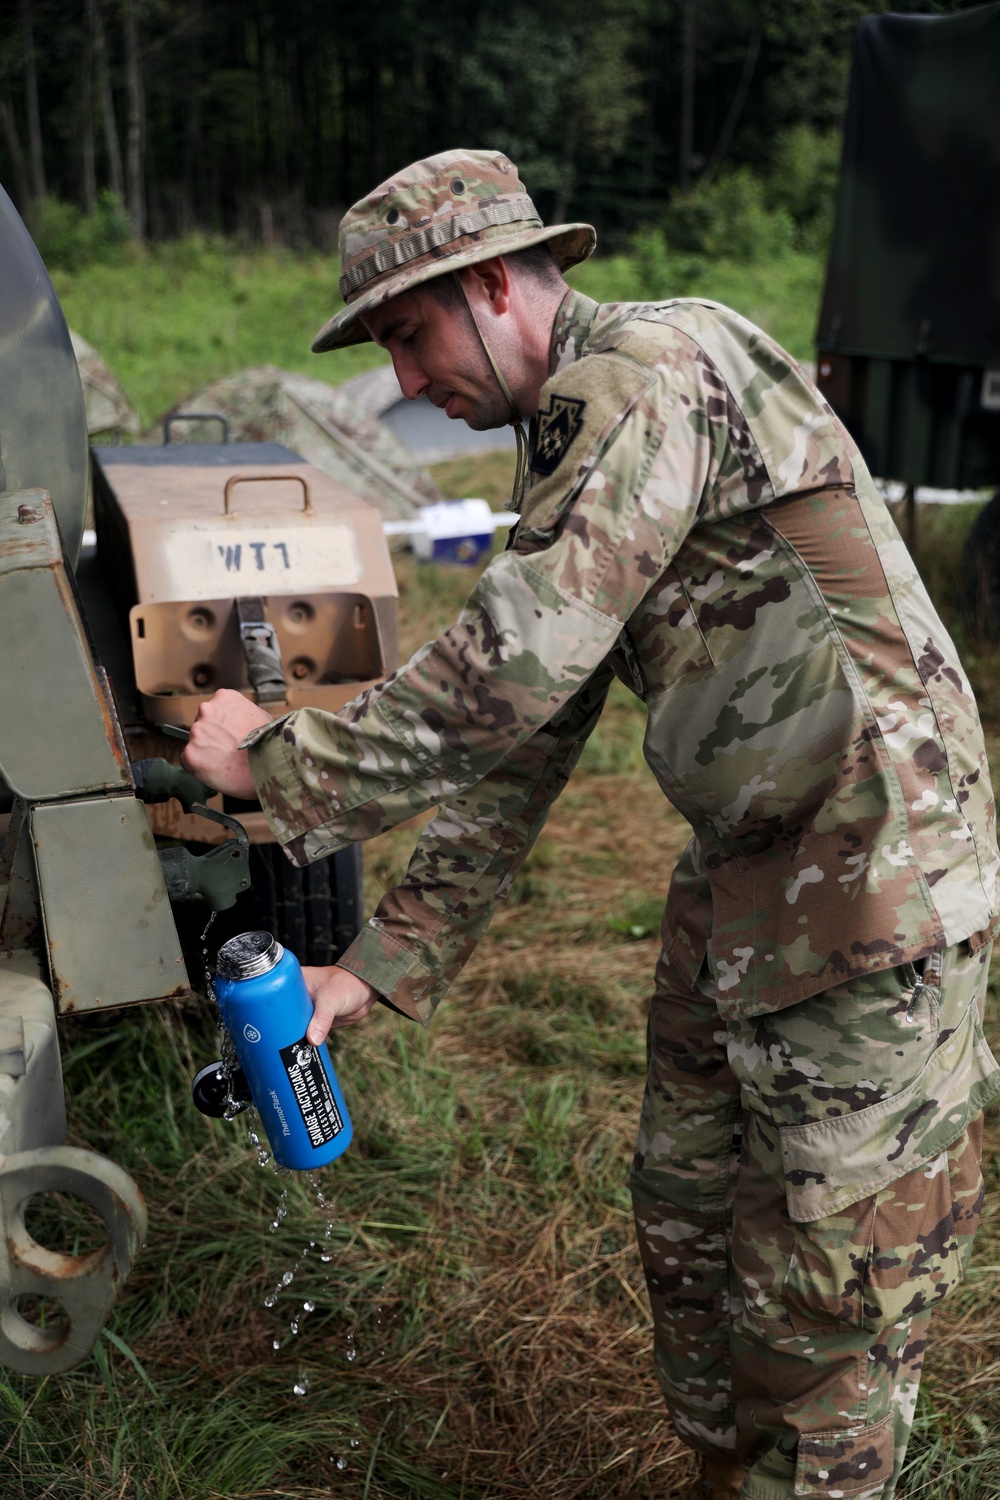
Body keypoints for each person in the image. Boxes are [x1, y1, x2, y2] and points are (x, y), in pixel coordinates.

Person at [182, 149, 1000, 1500]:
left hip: (873, 882)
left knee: (822, 1306)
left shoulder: (642, 374)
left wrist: (270, 772)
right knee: (685, 1227)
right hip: (753, 876)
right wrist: (383, 961)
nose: (401, 381)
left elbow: (502, 670)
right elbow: (530, 735)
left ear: (494, 284)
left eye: (407, 332)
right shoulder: (586, 432)